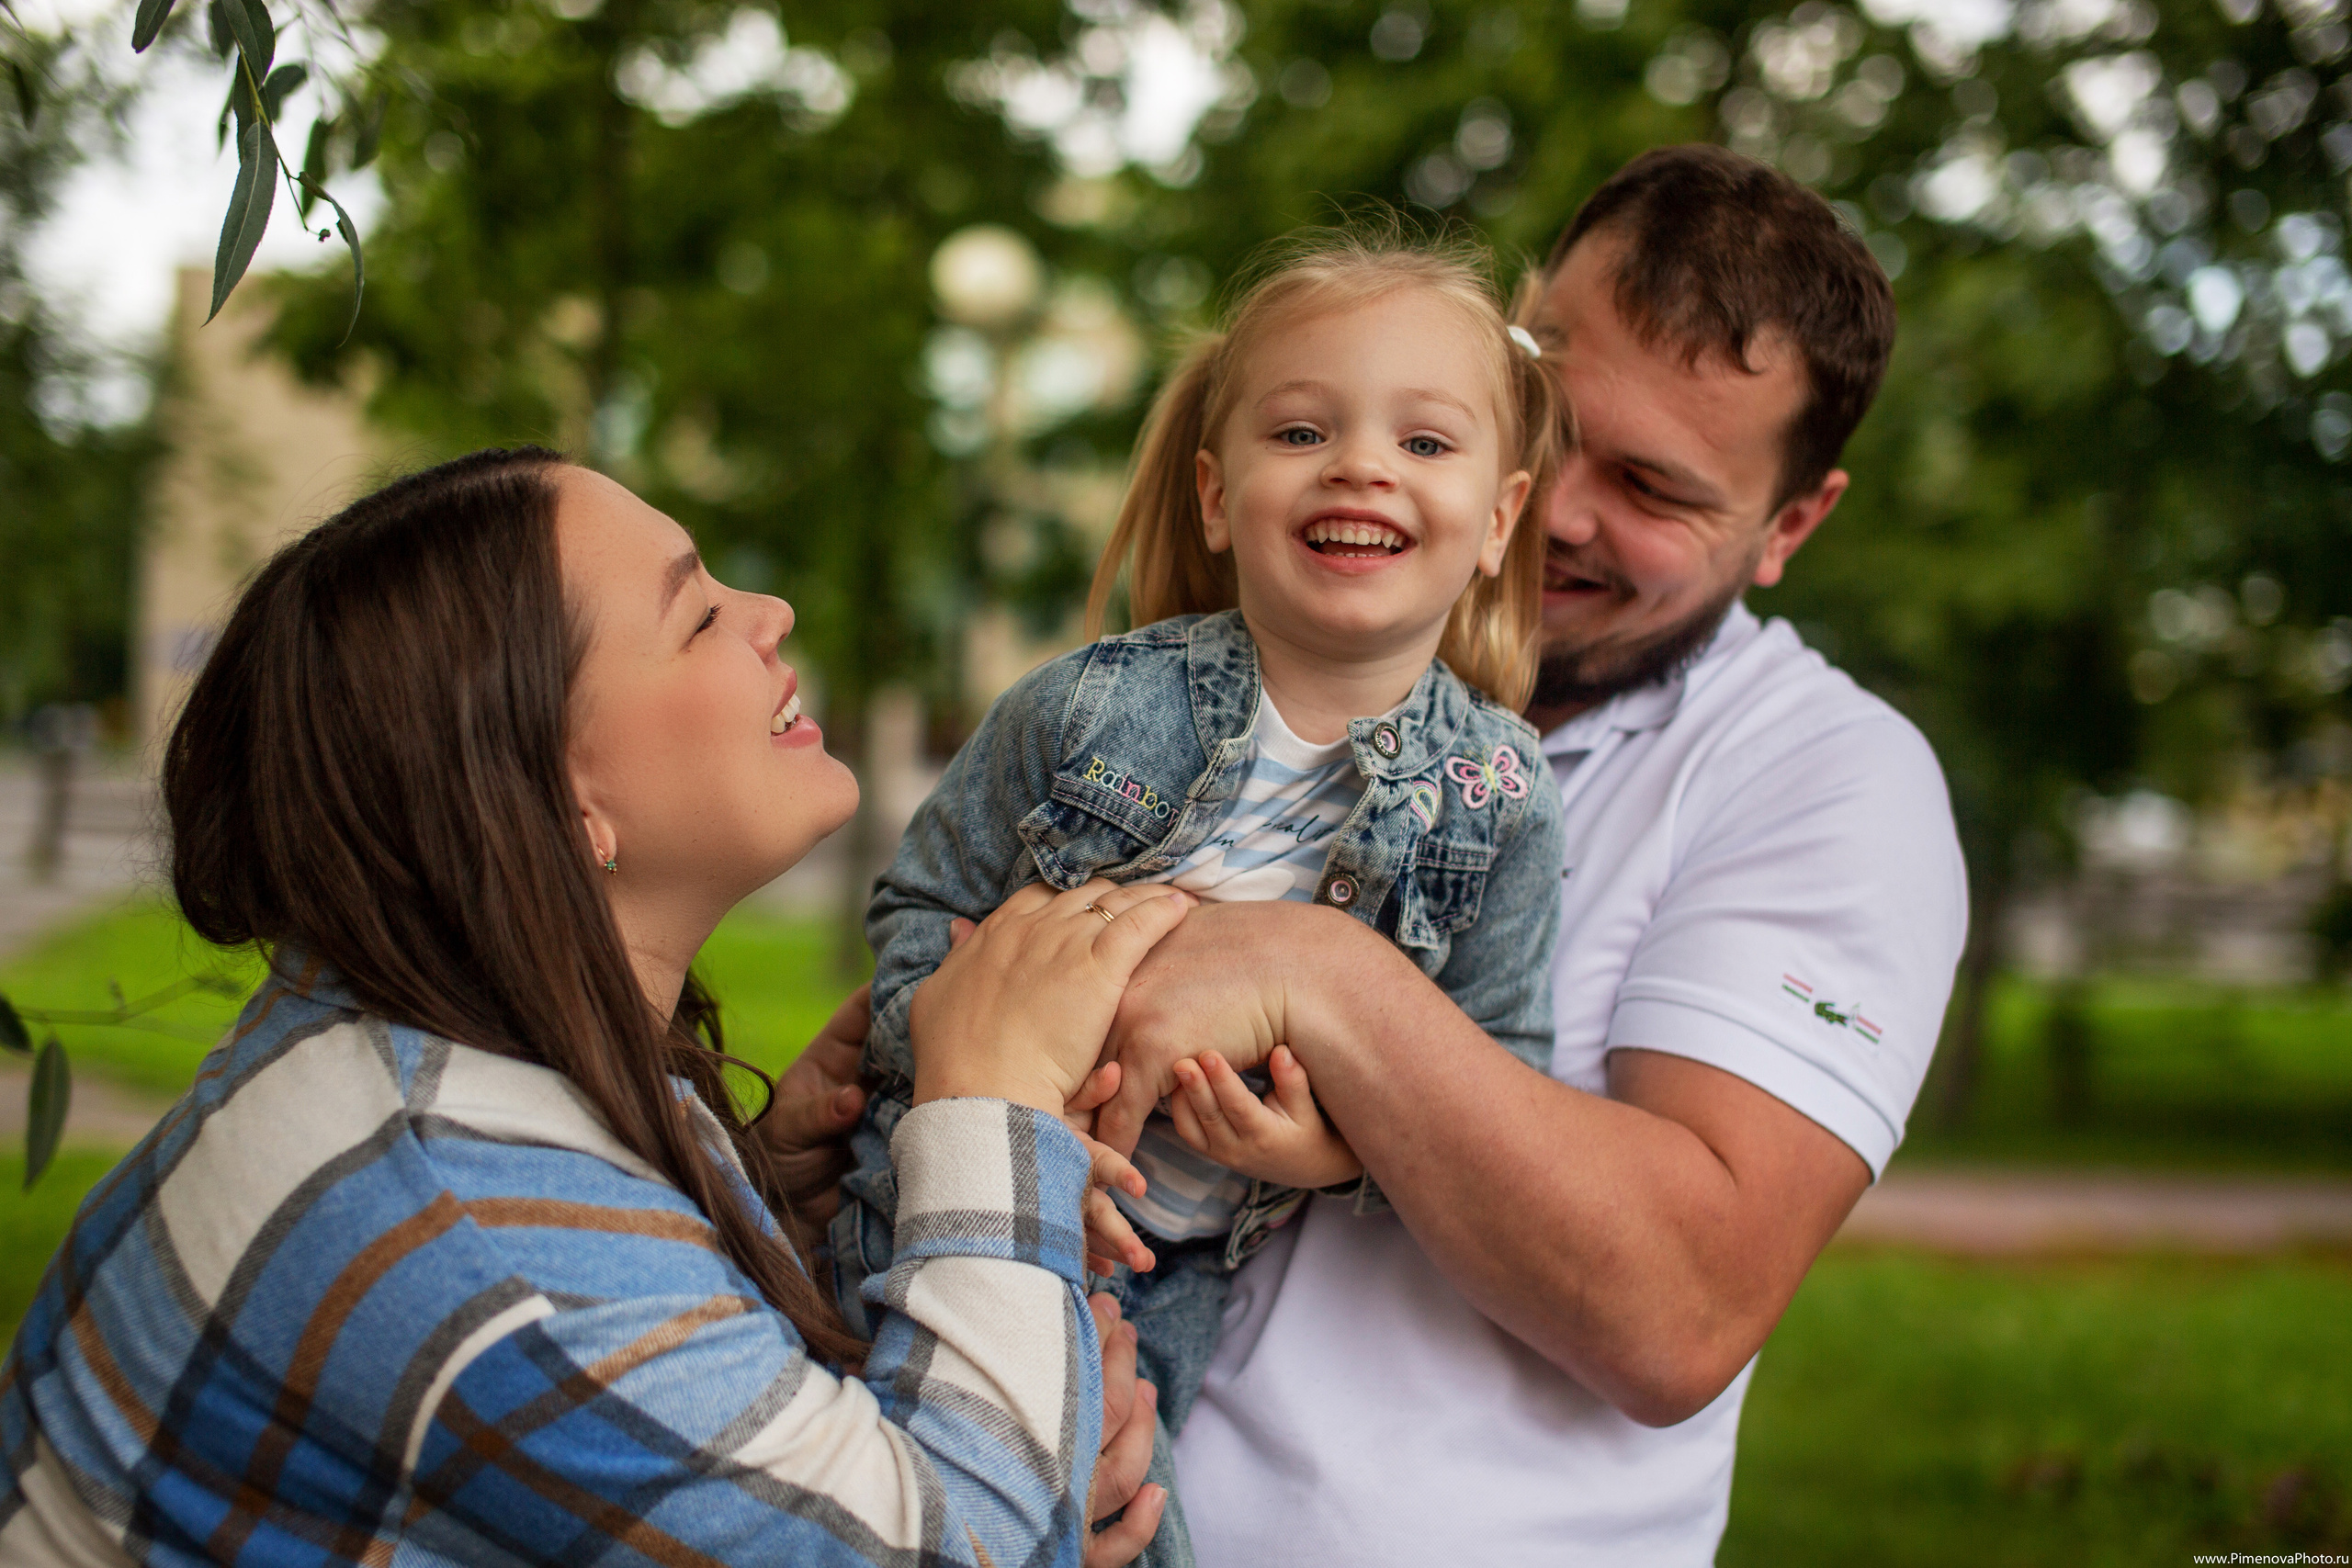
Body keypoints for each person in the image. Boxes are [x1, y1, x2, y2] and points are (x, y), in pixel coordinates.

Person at [0, 447, 1181, 1567]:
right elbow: (953, 1544)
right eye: (699, 616)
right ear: (563, 810)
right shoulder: (466, 1212)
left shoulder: (413, 1051)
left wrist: (761, 1200)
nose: (769, 611)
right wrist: (990, 1105)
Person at [1040, 146, 1963, 1562]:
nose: (1557, 504)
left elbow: (1683, 1304)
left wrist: (1314, 972)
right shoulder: (1249, 649)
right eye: (1550, 418)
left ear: (1791, 524)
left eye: (1655, 487)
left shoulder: (1828, 779)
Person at [832, 229, 1568, 1564]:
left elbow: (1499, 1074)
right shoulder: (1087, 703)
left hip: (1169, 1277)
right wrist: (1000, 1082)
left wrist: (1336, 1154)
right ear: (1218, 498)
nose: (1360, 463)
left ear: (1499, 520)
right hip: (935, 1201)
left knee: (1116, 1525)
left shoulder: (1502, 798)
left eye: (1425, 442)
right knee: (914, 1515)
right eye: (1304, 430)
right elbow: (914, 915)